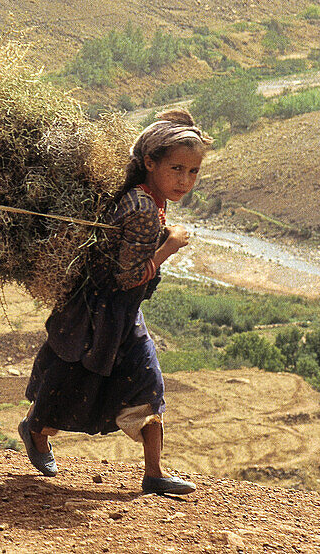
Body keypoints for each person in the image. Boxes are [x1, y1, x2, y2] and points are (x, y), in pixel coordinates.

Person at [19, 109, 211, 495]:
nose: (185, 180)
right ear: (149, 163)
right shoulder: (142, 209)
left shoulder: (149, 198)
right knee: (72, 386)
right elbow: (127, 276)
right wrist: (169, 247)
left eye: (193, 172)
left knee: (147, 381)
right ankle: (35, 430)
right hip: (99, 316)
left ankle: (154, 472)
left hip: (119, 314)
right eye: (176, 169)